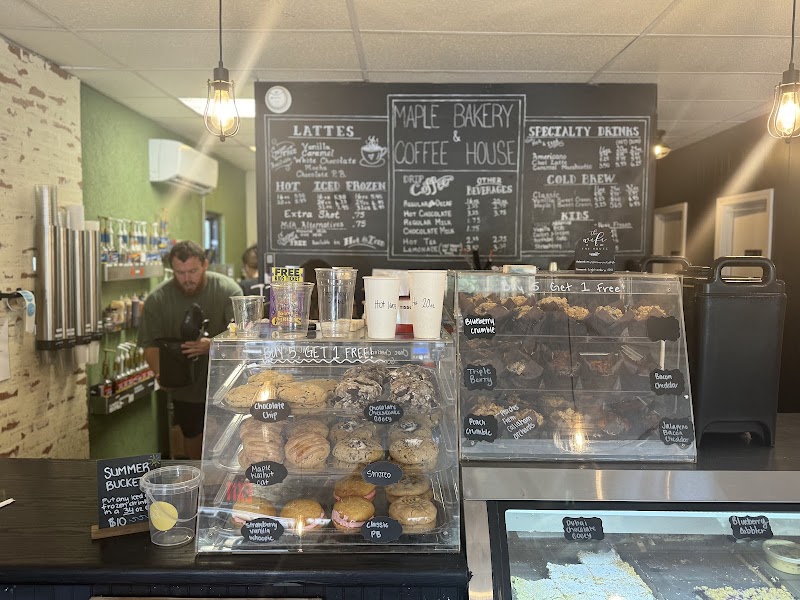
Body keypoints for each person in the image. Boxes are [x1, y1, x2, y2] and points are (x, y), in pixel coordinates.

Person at [138, 240, 242, 459]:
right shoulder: (157, 300)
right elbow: (149, 345)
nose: (187, 278)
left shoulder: (229, 291)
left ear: (205, 265)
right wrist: (161, 375)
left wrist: (212, 346)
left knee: (230, 440)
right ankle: (199, 478)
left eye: (193, 271)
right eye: (180, 272)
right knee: (193, 437)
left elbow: (243, 339)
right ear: (172, 270)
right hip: (185, 390)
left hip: (227, 384)